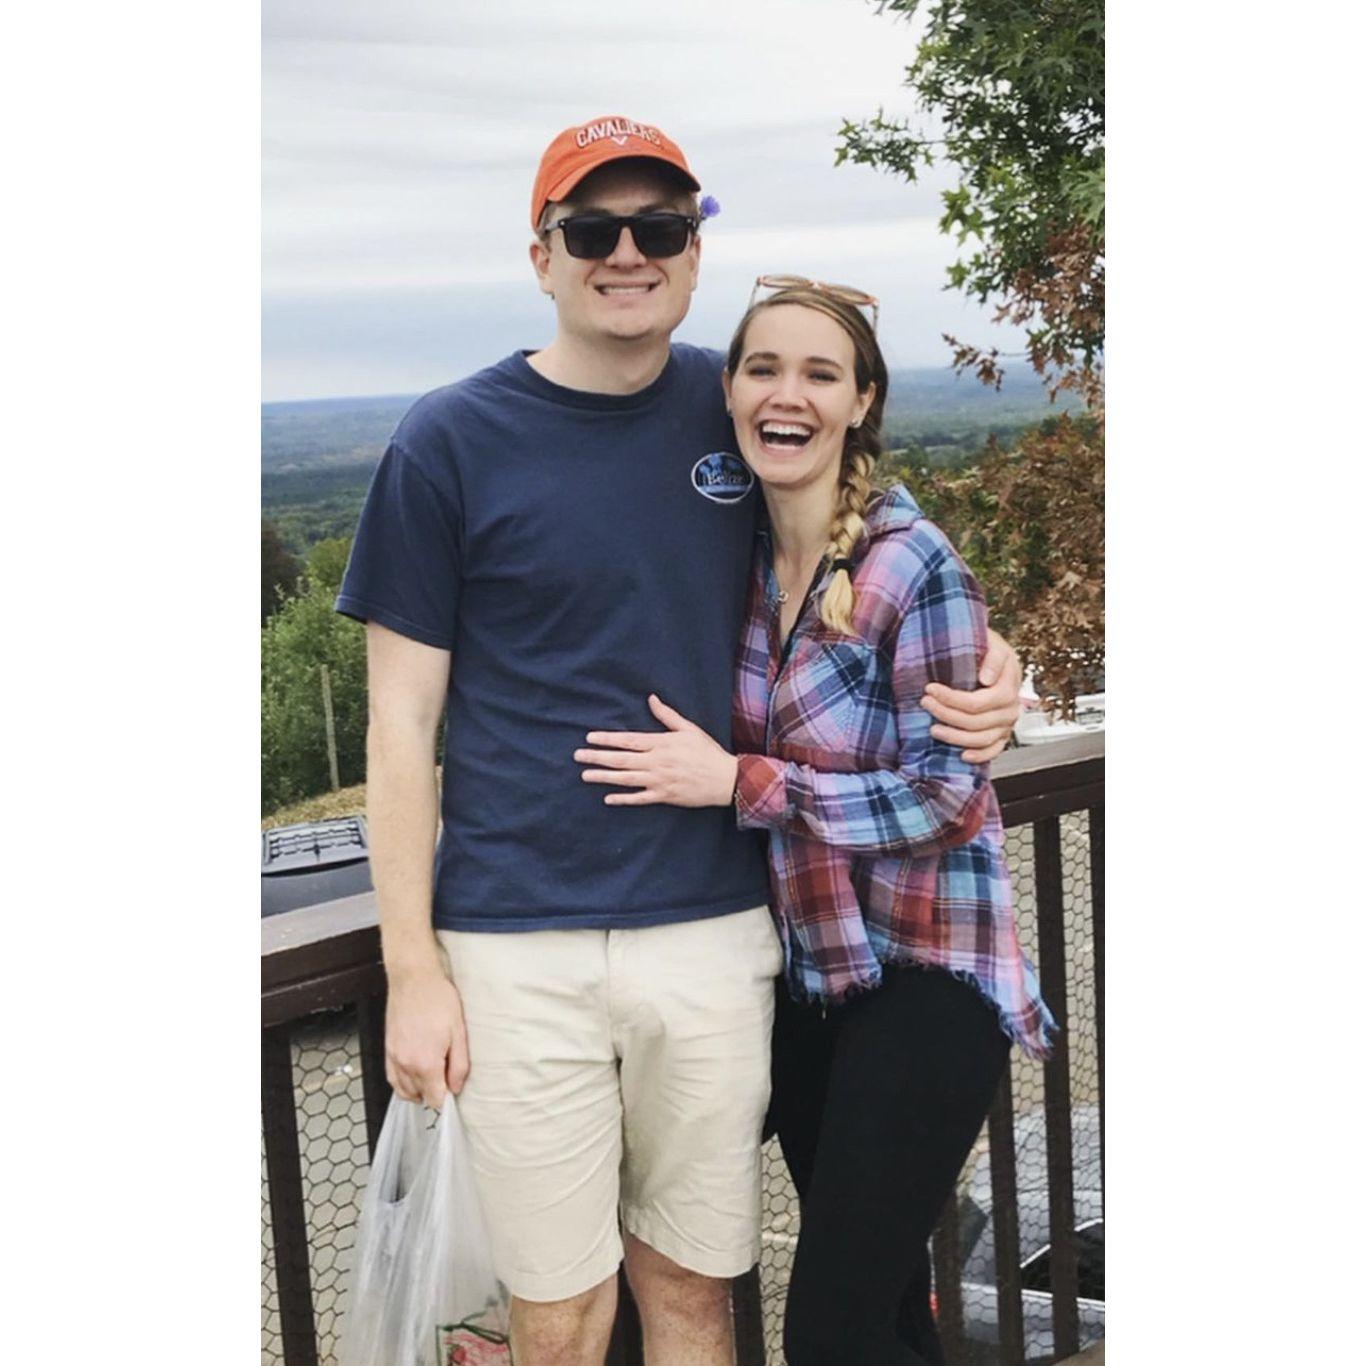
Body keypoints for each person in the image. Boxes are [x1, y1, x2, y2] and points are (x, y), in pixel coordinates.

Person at [337, 116, 1022, 1366]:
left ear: (693, 251)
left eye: (659, 227)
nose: (627, 254)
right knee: (554, 1316)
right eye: (592, 230)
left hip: (717, 930)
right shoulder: (447, 440)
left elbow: (877, 524)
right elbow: (400, 726)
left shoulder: (738, 403)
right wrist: (414, 969)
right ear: (541, 256)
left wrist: (994, 662)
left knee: (694, 1292)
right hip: (511, 940)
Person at [575, 279, 1055, 1366]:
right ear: (732, 394)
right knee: (880, 1310)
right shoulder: (728, 558)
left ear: (860, 403)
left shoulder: (909, 562)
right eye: (762, 368)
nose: (787, 393)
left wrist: (740, 782)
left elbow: (944, 795)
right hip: (811, 979)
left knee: (828, 1329)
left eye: (819, 373)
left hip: (930, 973)